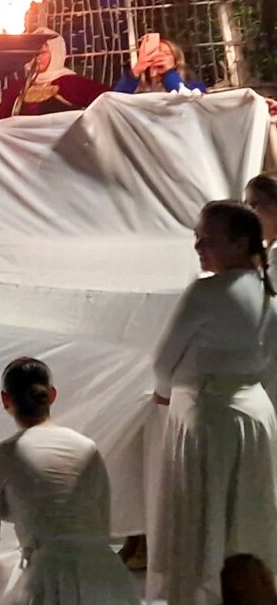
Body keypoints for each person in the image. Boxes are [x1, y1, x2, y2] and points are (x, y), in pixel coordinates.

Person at [148, 201, 277, 605]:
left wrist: (164, 393)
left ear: (239, 243)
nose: (198, 247)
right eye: (197, 238)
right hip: (255, 414)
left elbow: (163, 360)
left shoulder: (206, 291)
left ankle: (202, 593)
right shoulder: (267, 293)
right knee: (245, 518)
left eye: (207, 239)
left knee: (204, 517)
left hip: (208, 418)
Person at [0, 357, 138, 603]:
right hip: (103, 577)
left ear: (5, 400)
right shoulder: (87, 448)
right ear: (52, 395)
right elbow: (102, 523)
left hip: (46, 579)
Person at [0, 28, 109, 120]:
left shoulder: (72, 83)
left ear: (55, 52)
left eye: (42, 52)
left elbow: (108, 103)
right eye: (33, 53)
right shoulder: (19, 87)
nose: (37, 58)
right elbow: (0, 120)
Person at [113, 35, 208, 94]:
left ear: (175, 61)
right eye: (155, 52)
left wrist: (168, 73)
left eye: (166, 53)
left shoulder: (192, 84)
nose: (160, 56)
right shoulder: (137, 85)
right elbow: (115, 105)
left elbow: (187, 103)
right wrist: (136, 71)